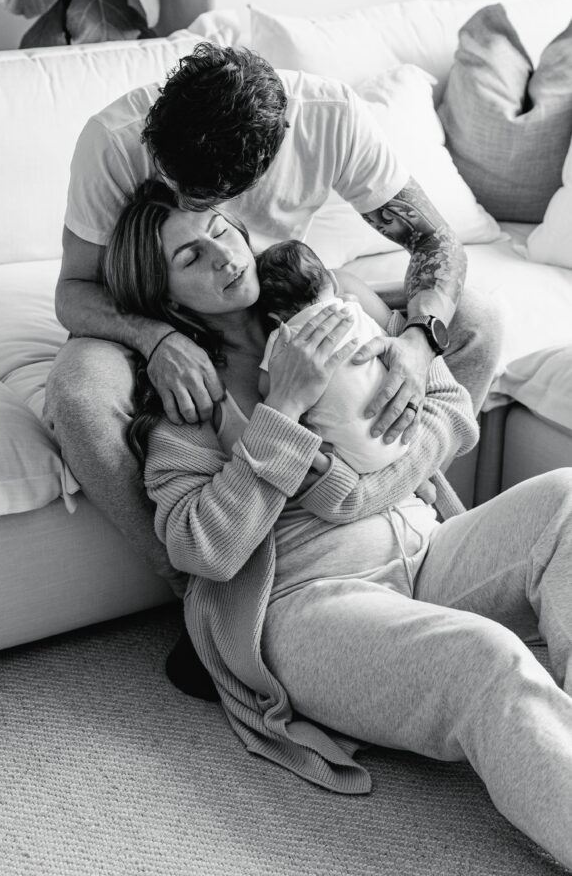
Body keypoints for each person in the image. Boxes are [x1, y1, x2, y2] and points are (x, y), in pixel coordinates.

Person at [102, 184, 572, 870]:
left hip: (427, 546)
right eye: (191, 256)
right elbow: (204, 548)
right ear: (166, 296)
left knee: (565, 497)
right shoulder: (185, 403)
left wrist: (376, 475)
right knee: (487, 659)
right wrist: (283, 407)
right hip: (310, 605)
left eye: (221, 231)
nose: (224, 258)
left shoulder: (319, 303)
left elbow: (446, 406)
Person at [44, 43, 503, 603]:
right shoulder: (114, 140)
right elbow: (73, 292)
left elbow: (436, 241)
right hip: (156, 306)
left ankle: (403, 483)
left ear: (262, 167)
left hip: (281, 283)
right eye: (170, 178)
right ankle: (193, 593)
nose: (182, 198)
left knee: (475, 318)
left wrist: (416, 342)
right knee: (76, 393)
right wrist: (156, 337)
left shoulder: (331, 118)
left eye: (207, 203)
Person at [255, 238, 410, 473]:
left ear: (275, 317)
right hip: (402, 433)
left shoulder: (282, 338)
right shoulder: (355, 311)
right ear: (334, 283)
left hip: (349, 460)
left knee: (311, 435)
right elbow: (389, 348)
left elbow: (266, 388)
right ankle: (421, 481)